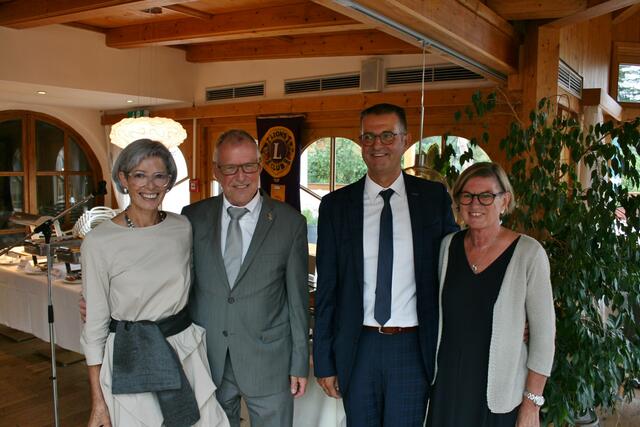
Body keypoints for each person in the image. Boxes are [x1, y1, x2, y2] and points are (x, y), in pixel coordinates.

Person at [313, 103, 459, 425]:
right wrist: (323, 360)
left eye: (387, 135)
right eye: (369, 136)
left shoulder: (433, 199)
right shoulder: (336, 206)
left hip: (412, 346)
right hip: (358, 344)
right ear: (360, 142)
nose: (377, 145)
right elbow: (327, 288)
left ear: (405, 140)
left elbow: (456, 271)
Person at [80, 139, 229, 427]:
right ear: (123, 179)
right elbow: (94, 328)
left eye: (159, 175)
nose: (150, 185)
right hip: (129, 354)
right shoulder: (99, 241)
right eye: (139, 175)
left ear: (169, 181)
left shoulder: (181, 227)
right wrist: (98, 402)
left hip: (182, 347)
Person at [181, 129, 309, 427]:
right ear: (216, 171)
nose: (241, 176)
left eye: (249, 166)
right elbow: (176, 282)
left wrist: (299, 362)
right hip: (209, 358)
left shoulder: (289, 223)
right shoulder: (192, 217)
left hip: (269, 361)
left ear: (260, 166)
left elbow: (297, 302)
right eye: (230, 168)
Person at [425, 162, 556, 427]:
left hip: (497, 396)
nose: (475, 204)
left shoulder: (529, 254)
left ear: (504, 201)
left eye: (486, 196)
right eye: (467, 195)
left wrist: (532, 405)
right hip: (447, 391)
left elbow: (544, 337)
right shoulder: (447, 247)